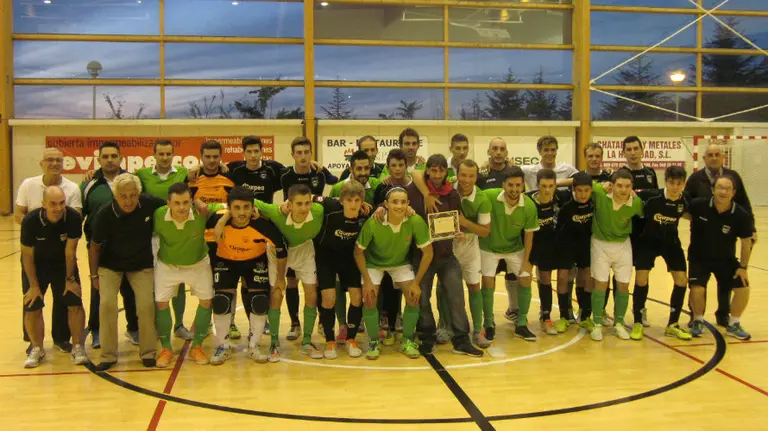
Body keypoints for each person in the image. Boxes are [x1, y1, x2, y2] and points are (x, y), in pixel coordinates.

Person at [406, 155, 483, 357]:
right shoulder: (414, 191)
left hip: (447, 256)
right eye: (434, 170)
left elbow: (455, 221)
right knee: (422, 299)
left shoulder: (453, 194)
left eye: (442, 170)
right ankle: (426, 336)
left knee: (457, 296)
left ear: (446, 172)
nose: (438, 174)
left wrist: (458, 233)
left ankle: (461, 340)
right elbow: (413, 175)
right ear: (428, 171)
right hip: (422, 258)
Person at [88, 174, 166, 370]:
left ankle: (148, 352)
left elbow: (173, 205)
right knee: (106, 305)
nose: (129, 200)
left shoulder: (149, 204)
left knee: (146, 305)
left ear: (139, 194)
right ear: (115, 196)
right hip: (109, 265)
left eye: (133, 195)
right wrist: (93, 276)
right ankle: (108, 355)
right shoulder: (105, 214)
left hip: (141, 264)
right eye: (123, 196)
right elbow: (94, 247)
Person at [15, 148, 82, 354]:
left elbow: (75, 218)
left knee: (67, 298)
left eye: (58, 160)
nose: (54, 163)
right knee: (32, 297)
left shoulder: (72, 188)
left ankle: (62, 339)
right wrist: (38, 228)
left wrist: (55, 231)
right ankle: (35, 343)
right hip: (36, 252)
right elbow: (19, 213)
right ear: (41, 163)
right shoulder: (28, 185)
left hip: (62, 255)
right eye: (50, 159)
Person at [355, 187, 433, 359]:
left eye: (403, 202)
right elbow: (358, 252)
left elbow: (428, 253)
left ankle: (406, 341)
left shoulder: (415, 221)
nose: (399, 206)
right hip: (374, 263)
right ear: (386, 204)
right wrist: (367, 281)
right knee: (369, 298)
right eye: (395, 202)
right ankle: (374, 341)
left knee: (413, 296)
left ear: (408, 204)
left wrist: (416, 283)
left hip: (400, 263)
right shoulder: (373, 222)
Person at [684, 142, 756, 327]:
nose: (714, 157)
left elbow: (745, 205)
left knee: (728, 284)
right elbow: (684, 204)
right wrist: (699, 219)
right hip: (701, 242)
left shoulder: (734, 178)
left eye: (717, 154)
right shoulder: (695, 179)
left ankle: (727, 318)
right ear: (704, 158)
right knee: (697, 286)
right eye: (710, 154)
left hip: (725, 243)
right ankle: (697, 318)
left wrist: (751, 229)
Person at [255, 184, 325, 360]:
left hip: (304, 250)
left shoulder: (317, 211)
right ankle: (274, 343)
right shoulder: (275, 211)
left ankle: (307, 341)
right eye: (299, 204)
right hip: (276, 252)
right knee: (277, 293)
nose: (304, 208)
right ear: (289, 204)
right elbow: (250, 199)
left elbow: (336, 201)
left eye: (307, 203)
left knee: (312, 294)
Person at [20, 186, 88, 368]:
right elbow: (27, 255)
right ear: (43, 204)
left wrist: (69, 280)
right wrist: (33, 285)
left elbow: (70, 251)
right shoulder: (30, 221)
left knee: (74, 301)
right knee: (32, 303)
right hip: (36, 265)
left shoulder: (73, 217)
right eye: (53, 204)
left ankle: (78, 347)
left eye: (61, 203)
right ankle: (37, 348)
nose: (58, 208)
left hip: (62, 265)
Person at [279, 137, 338, 341]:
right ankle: (295, 324)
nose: (303, 156)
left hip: (316, 231)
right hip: (294, 232)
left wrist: (324, 170)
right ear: (293, 154)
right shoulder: (285, 175)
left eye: (306, 152)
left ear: (311, 153)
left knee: (319, 280)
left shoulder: (318, 173)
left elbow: (336, 182)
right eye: (299, 152)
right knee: (292, 281)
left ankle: (322, 321)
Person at [135, 139, 194, 341]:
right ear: (154, 155)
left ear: (173, 154)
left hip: (176, 235)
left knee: (178, 281)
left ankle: (178, 325)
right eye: (161, 154)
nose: (165, 157)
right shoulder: (141, 175)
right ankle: (156, 327)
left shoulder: (182, 173)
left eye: (168, 154)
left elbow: (204, 173)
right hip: (150, 236)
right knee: (155, 284)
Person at [81, 141, 139, 349]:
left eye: (114, 156)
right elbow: (80, 214)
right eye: (105, 156)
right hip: (100, 248)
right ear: (99, 160)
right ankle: (97, 331)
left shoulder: (133, 180)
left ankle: (134, 328)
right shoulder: (89, 185)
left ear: (121, 158)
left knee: (130, 291)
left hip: (128, 247)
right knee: (99, 294)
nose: (109, 160)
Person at [187, 140, 240, 340]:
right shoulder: (192, 179)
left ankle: (231, 321)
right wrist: (194, 200)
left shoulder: (229, 177)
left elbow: (236, 204)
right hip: (201, 242)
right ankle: (206, 321)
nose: (211, 161)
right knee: (204, 284)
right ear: (201, 157)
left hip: (224, 241)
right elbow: (182, 201)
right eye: (207, 157)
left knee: (227, 283)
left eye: (215, 157)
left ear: (220, 157)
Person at [631, 166, 691, 341]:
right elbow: (632, 193)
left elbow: (690, 214)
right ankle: (637, 322)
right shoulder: (651, 195)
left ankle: (672, 324)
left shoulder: (685, 200)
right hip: (647, 242)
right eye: (671, 183)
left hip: (670, 243)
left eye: (679, 184)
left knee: (681, 280)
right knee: (641, 278)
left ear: (684, 184)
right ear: (665, 182)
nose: (675, 187)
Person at [479, 167, 539, 342]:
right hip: (489, 247)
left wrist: (527, 261)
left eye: (518, 185)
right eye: (510, 185)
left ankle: (521, 324)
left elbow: (529, 236)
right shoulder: (489, 195)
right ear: (504, 184)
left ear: (523, 186)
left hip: (514, 248)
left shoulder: (528, 206)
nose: (514, 189)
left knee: (526, 276)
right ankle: (489, 324)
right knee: (488, 281)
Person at [315, 182, 370, 358]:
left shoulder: (366, 214)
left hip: (350, 259)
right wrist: (286, 204)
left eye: (357, 200)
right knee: (328, 298)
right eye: (349, 200)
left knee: (356, 296)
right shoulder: (330, 206)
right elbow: (310, 197)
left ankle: (350, 340)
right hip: (326, 258)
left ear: (362, 201)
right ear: (341, 200)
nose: (353, 204)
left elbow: (384, 208)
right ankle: (330, 342)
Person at [589, 170, 644, 341]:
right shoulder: (599, 193)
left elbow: (643, 216)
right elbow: (579, 181)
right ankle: (597, 323)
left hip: (623, 245)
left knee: (623, 285)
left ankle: (619, 323)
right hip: (600, 244)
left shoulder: (636, 203)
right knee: (600, 284)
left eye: (627, 186)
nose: (623, 189)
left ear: (632, 187)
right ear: (611, 185)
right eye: (619, 185)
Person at [476, 137, 522, 327]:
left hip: (510, 234)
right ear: (489, 151)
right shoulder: (481, 175)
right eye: (494, 148)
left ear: (506, 152)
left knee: (513, 274)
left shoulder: (514, 172)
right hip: (489, 236)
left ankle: (514, 309)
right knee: (489, 276)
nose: (498, 152)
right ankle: (489, 317)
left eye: (502, 148)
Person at [453, 160, 492, 348]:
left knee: (474, 287)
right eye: (463, 175)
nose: (466, 180)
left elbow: (485, 231)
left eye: (471, 176)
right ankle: (446, 327)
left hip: (470, 247)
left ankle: (478, 330)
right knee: (447, 288)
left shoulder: (482, 199)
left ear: (476, 177)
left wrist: (464, 223)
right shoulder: (448, 190)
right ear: (457, 174)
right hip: (448, 247)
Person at [526, 168, 566, 336]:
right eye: (544, 186)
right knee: (544, 279)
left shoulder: (561, 198)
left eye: (551, 186)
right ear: (537, 185)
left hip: (557, 244)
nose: (547, 189)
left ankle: (565, 313)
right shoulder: (528, 201)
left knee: (563, 278)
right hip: (536, 245)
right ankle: (545, 316)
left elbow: (583, 184)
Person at [553, 171, 595, 333]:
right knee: (563, 276)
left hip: (586, 246)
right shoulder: (566, 208)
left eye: (586, 190)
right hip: (567, 245)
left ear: (591, 190)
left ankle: (585, 315)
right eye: (579, 190)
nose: (583, 194)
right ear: (573, 190)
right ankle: (564, 315)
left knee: (587, 276)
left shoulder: (594, 204)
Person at [228, 136, 286, 204]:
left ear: (261, 152)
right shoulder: (235, 168)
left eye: (256, 151)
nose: (253, 155)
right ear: (243, 153)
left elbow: (292, 175)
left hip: (265, 213)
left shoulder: (273, 167)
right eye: (249, 152)